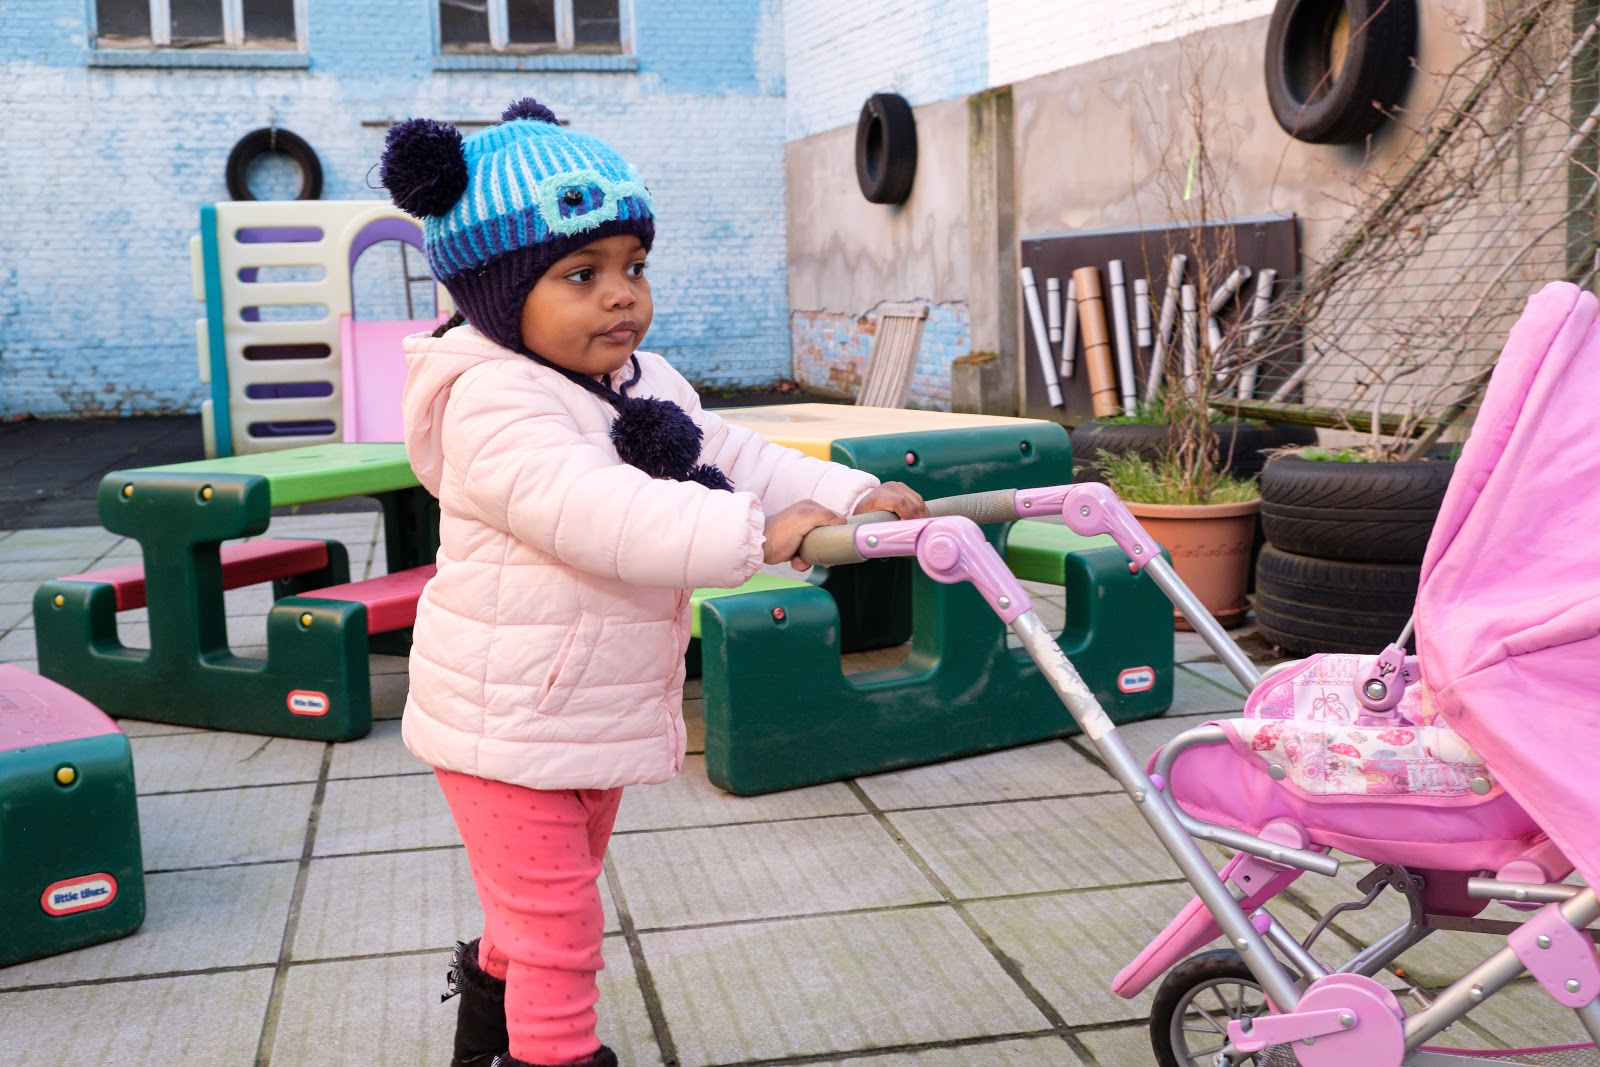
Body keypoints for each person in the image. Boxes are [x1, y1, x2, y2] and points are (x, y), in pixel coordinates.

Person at [379, 98, 928, 1067]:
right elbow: (596, 512)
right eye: (580, 274)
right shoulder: (493, 401)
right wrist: (761, 534)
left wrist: (848, 492)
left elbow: (735, 453)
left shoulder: (642, 379)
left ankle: (482, 1043)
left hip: (583, 710)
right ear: (500, 296)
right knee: (562, 929)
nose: (620, 295)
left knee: (534, 910)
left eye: (633, 266)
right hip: (505, 722)